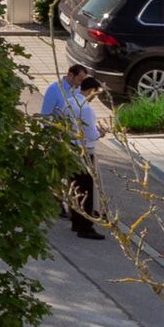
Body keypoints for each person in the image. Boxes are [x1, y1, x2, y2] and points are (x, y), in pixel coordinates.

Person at [38, 63, 104, 238]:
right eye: (79, 79)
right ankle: (83, 223)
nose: (80, 83)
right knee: (84, 187)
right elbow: (90, 133)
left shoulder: (72, 99)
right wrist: (100, 133)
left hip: (70, 143)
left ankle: (74, 217)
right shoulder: (60, 93)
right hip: (74, 145)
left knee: (74, 183)